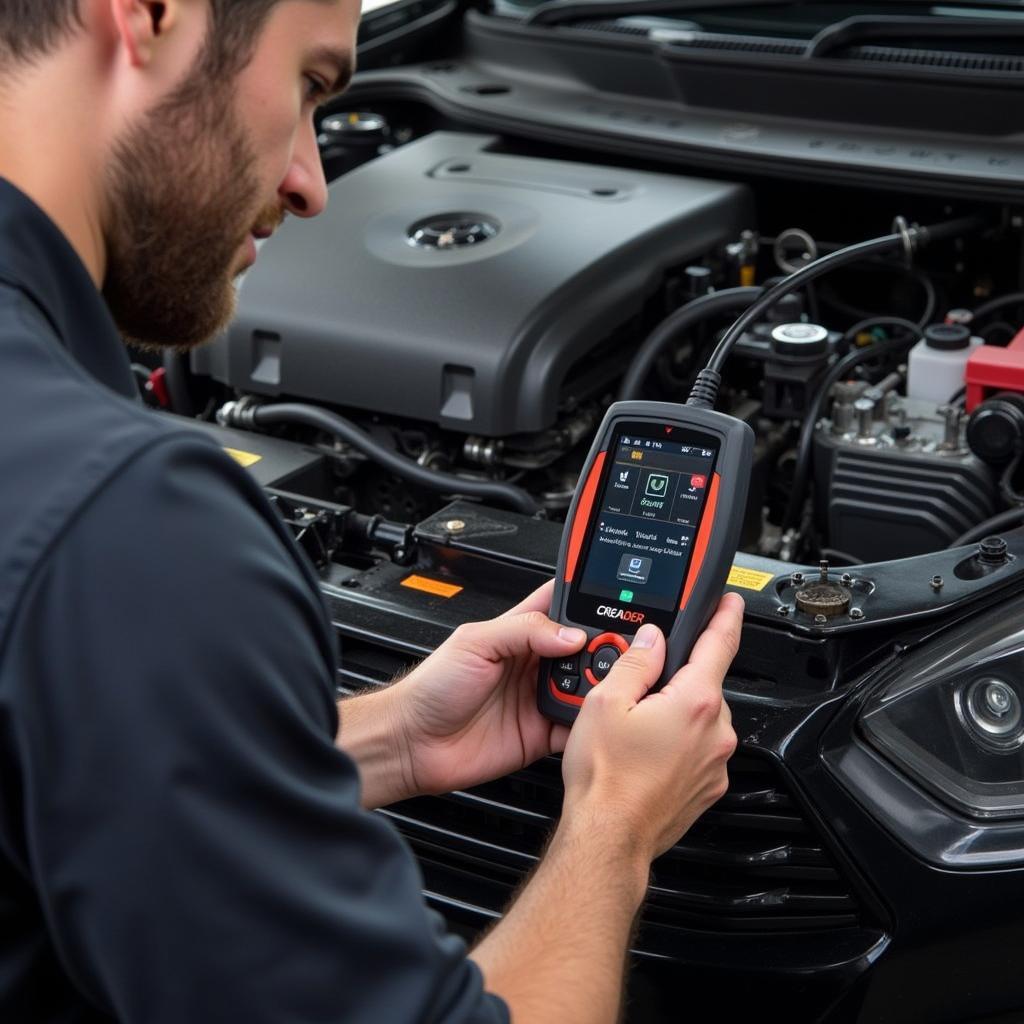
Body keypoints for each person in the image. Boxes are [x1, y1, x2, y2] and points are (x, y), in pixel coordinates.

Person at [0, 1, 743, 1021]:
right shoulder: (131, 527)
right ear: (148, 14)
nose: (310, 184)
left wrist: (386, 740)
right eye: (308, 84)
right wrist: (613, 822)